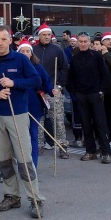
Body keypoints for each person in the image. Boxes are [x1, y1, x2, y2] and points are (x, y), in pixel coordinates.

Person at [0, 27, 44, 218]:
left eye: (4, 39)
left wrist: (14, 83)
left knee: (24, 159)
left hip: (17, 114)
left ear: (10, 41)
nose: (0, 43)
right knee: (4, 159)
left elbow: (36, 80)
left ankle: (35, 199)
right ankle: (12, 196)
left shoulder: (21, 60)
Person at [66, 32, 111, 163]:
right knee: (85, 124)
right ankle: (90, 151)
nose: (83, 44)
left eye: (85, 41)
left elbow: (105, 74)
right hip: (81, 95)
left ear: (89, 42)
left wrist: (101, 90)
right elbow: (71, 78)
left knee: (100, 124)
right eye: (80, 41)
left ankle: (106, 152)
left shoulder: (96, 56)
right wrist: (75, 92)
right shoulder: (74, 58)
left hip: (95, 94)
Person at [33, 23, 69, 158]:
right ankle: (39, 145)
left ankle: (62, 146)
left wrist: (59, 85)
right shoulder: (33, 49)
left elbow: (64, 68)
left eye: (49, 35)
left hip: (53, 90)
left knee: (58, 119)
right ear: (39, 35)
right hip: (37, 91)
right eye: (44, 35)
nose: (47, 37)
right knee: (39, 119)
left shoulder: (57, 49)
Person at [17, 38, 53, 168]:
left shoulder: (38, 67)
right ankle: (20, 164)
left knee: (33, 136)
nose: (26, 53)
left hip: (34, 106)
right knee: (20, 138)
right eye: (23, 51)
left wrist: (51, 90)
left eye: (28, 51)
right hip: (18, 107)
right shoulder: (16, 67)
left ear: (31, 53)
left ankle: (33, 165)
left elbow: (46, 82)